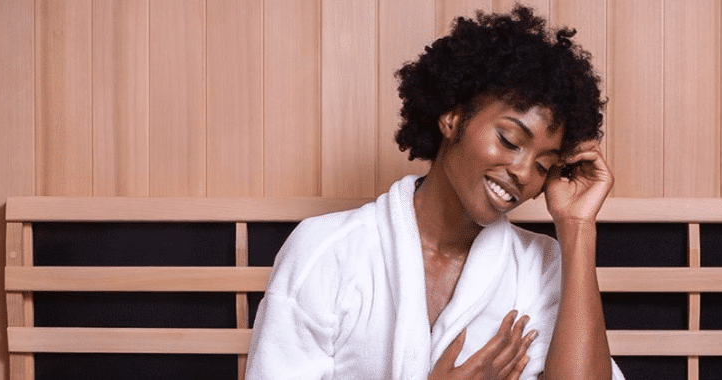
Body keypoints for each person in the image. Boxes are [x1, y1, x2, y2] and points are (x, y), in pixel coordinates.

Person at [246, 5, 625, 379]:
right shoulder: (328, 251)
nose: (524, 172)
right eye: (509, 139)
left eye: (545, 165)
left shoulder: (539, 267)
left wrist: (577, 227)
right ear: (452, 118)